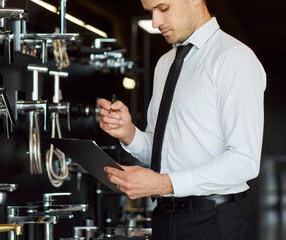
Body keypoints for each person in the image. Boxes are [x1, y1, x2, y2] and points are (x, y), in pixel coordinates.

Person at [98, 0, 266, 239]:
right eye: (150, 12)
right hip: (165, 218)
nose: (155, 22)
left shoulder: (234, 58)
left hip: (217, 221)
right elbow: (163, 155)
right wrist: (129, 133)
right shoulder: (165, 63)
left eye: (163, 8)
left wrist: (163, 184)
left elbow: (244, 161)